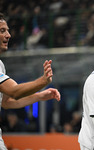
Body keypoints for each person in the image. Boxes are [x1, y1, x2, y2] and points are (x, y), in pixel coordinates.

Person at [0, 12, 61, 149]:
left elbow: (7, 102)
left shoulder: (1, 65)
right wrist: (43, 81)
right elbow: (14, 91)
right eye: (2, 31)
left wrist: (39, 96)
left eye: (8, 31)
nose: (8, 35)